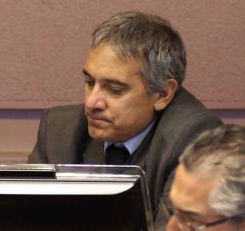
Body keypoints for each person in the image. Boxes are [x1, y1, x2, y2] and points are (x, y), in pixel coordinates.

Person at [29, 11, 221, 215]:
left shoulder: (195, 137)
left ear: (162, 94)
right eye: (89, 82)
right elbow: (23, 221)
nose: (91, 102)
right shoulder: (59, 130)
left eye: (114, 89)